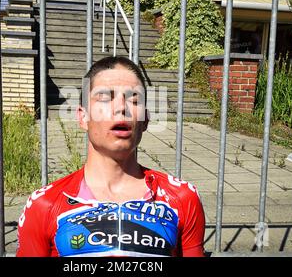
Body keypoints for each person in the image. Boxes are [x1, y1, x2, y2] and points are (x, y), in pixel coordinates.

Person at [16, 56, 205, 257]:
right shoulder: (43, 205)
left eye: (134, 99)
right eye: (105, 97)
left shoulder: (183, 198)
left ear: (146, 120)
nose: (121, 107)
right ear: (83, 117)